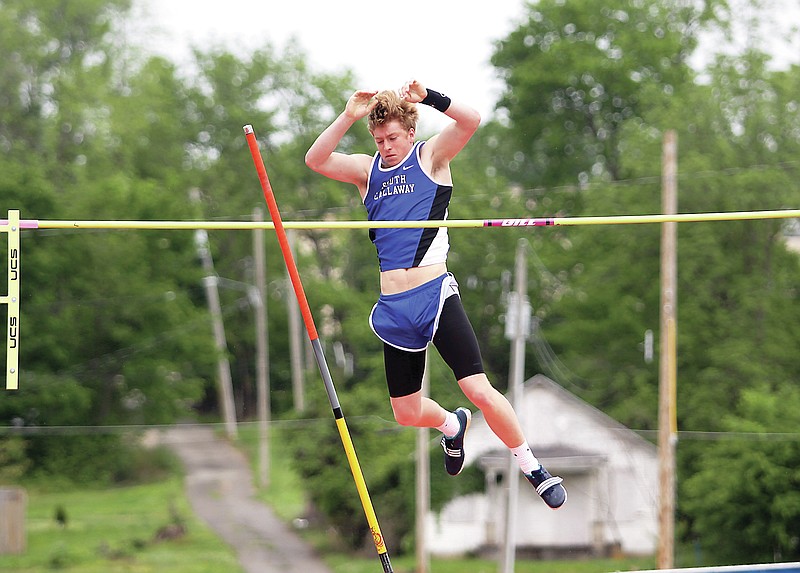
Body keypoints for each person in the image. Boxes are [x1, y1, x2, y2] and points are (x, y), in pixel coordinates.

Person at [305, 79, 566, 509]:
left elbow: (471, 120)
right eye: (379, 139)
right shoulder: (366, 172)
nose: (386, 146)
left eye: (393, 137)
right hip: (394, 307)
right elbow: (315, 160)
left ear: (410, 132)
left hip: (434, 294)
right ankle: (451, 425)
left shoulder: (431, 156)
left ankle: (532, 466)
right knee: (406, 413)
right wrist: (348, 116)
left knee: (477, 387)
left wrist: (430, 99)